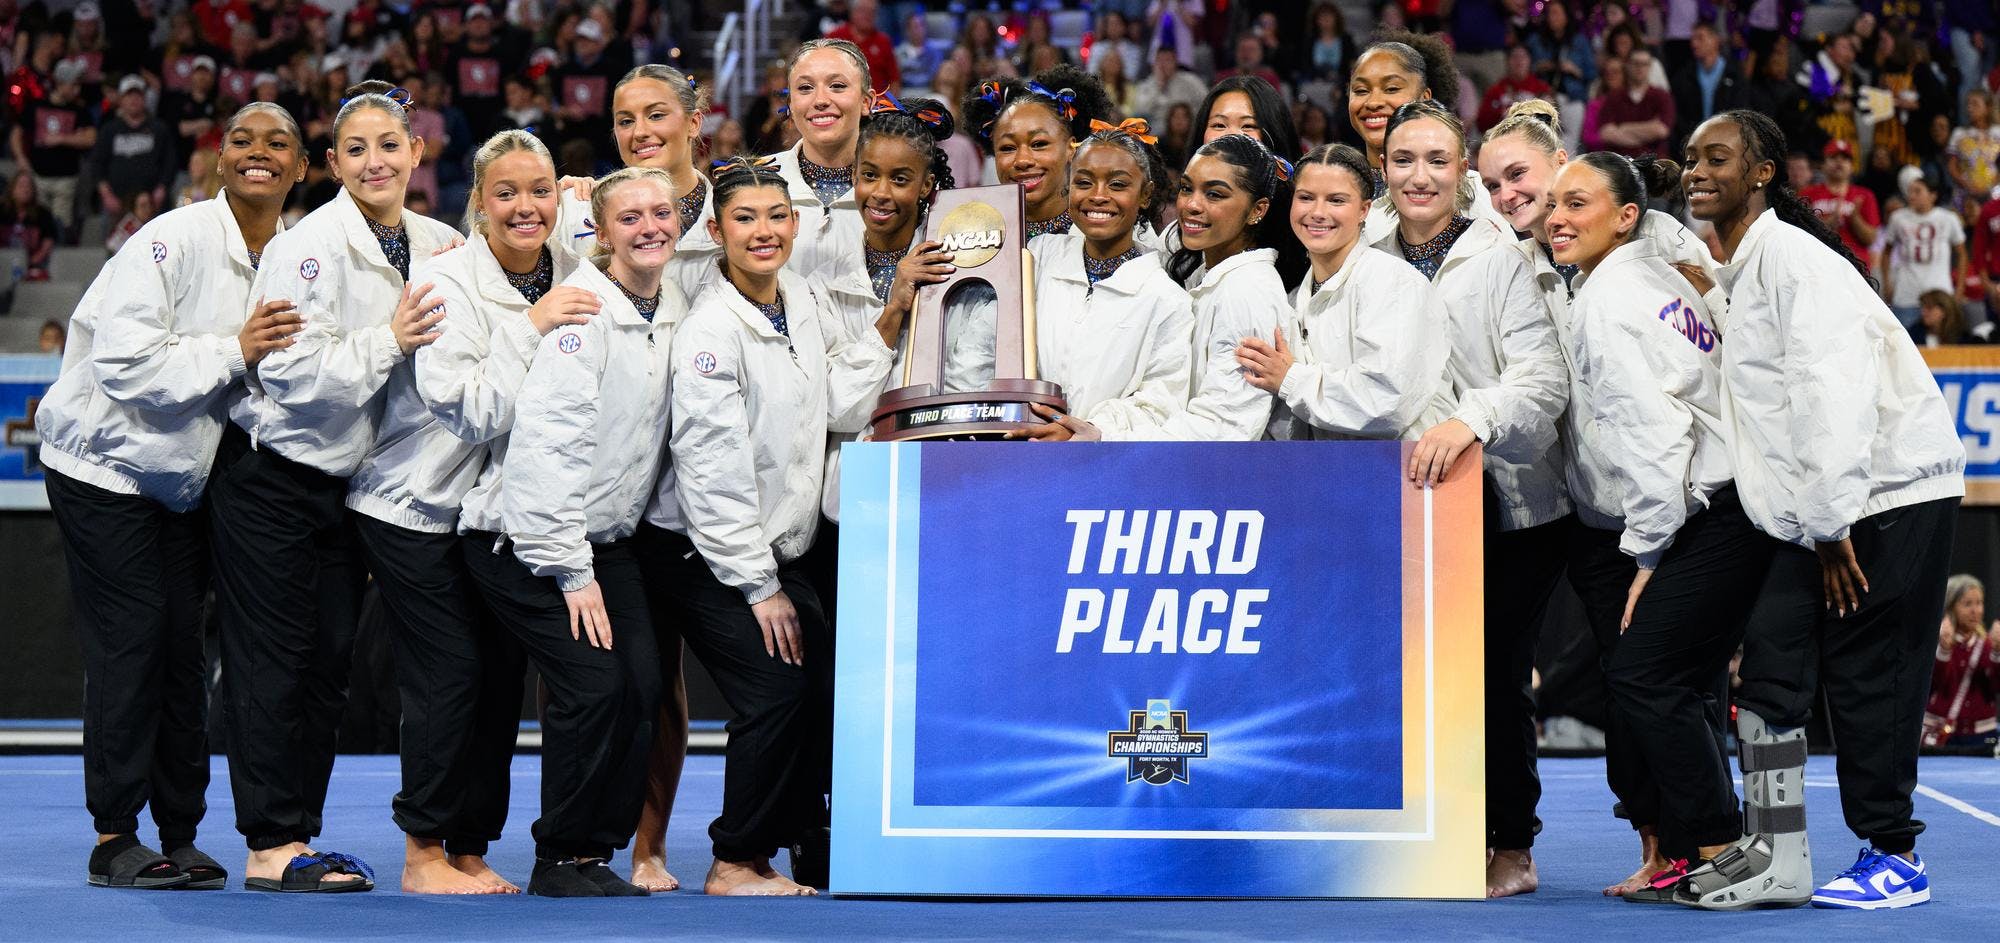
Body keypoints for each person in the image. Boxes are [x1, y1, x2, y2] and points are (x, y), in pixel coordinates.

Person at [1680, 108, 1965, 911]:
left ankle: (1895, 854)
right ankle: (1772, 847)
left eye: (1718, 157)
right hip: (1824, 509)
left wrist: (1833, 524)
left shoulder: (1794, 262)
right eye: (1692, 158)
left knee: (1870, 671)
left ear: (1762, 170)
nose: (1698, 170)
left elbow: (1828, 394)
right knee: (1771, 661)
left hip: (1884, 495)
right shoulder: (1752, 267)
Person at [35, 102, 305, 893]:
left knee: (185, 653)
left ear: (300, 166)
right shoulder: (171, 238)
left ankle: (180, 832)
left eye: (278, 143)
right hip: (101, 466)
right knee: (134, 637)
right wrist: (234, 349)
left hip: (182, 484)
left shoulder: (294, 257)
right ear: (220, 159)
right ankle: (114, 833)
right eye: (244, 140)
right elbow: (123, 363)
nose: (259, 152)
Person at [209, 81, 461, 893]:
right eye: (355, 149)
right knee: (273, 662)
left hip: (348, 489)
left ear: (418, 151)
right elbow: (287, 374)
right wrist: (385, 340)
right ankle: (268, 844)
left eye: (390, 144)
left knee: (325, 665)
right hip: (273, 480)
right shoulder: (304, 247)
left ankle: (296, 837)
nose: (374, 160)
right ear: (331, 163)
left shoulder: (440, 241)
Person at [648, 157, 896, 896]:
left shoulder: (803, 300)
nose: (764, 231)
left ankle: (776, 848)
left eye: (776, 216)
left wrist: (893, 319)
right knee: (774, 686)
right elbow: (712, 476)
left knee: (816, 678)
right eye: (746, 219)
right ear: (717, 232)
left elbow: (838, 408)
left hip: (777, 548)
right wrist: (760, 588)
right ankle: (733, 859)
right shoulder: (709, 332)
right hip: (702, 551)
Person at [347, 129, 585, 896]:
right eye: (506, 193)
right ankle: (422, 851)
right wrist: (535, 324)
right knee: (450, 671)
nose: (525, 206)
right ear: (478, 203)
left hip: (499, 515)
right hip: (413, 506)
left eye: (540, 190)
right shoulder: (444, 281)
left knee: (500, 675)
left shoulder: (576, 270)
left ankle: (471, 844)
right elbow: (476, 409)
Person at [1546, 149, 1769, 905]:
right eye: (1555, 204)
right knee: (1671, 677)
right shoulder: (1660, 271)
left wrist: (1645, 551)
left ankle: (1723, 847)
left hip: (1707, 508)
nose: (1557, 217)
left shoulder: (1607, 302)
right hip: (1734, 495)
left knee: (1644, 674)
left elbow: (1649, 434)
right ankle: (1710, 846)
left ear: (1627, 216)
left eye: (1578, 204)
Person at [458, 165, 680, 898]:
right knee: (592, 683)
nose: (648, 226)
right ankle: (560, 855)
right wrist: (569, 568)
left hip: (601, 537)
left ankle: (593, 850)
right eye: (629, 218)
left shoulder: (670, 308)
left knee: (643, 682)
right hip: (523, 537)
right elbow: (544, 450)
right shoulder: (583, 319)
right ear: (602, 234)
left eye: (660, 212)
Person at [1372, 98, 1571, 899]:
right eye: (1402, 160)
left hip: (1511, 504)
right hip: (1395, 501)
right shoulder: (1361, 248)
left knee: (1492, 673)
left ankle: (1511, 843)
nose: (1419, 175)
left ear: (1463, 172)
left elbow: (1544, 381)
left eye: (1436, 160)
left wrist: (1471, 419)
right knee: (1405, 674)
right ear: (1382, 169)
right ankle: (1422, 833)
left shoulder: (1502, 257)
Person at [1028, 133, 1291, 443]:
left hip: (1222, 479)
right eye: (1186, 188)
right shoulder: (1202, 276)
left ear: (1258, 210)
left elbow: (1226, 426)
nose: (1192, 205)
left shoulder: (1246, 291)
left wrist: (1100, 435)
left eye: (1215, 194)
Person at [1237, 141, 1449, 443]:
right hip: (1333, 473)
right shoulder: (1294, 298)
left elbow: (1386, 402)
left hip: (1407, 477)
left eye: (1336, 200)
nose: (1318, 212)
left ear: (1364, 209)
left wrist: (1290, 379)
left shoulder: (1393, 282)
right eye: (1306, 197)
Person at [1006, 119, 1194, 439]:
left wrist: (1088, 431)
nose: (1098, 196)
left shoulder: (1167, 299)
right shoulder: (1038, 257)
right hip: (1022, 449)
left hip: (1105, 466)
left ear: (1145, 195)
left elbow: (1160, 402)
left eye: (1118, 185)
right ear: (1068, 188)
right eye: (1084, 182)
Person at [1346, 33, 1509, 243]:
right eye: (1360, 90)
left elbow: (1506, 266)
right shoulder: (1339, 187)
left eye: (1392, 88)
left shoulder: (1469, 187)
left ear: (1425, 98)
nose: (1373, 102)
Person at [962, 66, 1118, 240]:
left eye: (1039, 144)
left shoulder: (1111, 229)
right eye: (1008, 148)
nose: (1022, 160)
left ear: (1071, 147)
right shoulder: (972, 237)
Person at [770, 39, 870, 278]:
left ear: (866, 102)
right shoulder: (756, 183)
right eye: (805, 88)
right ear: (791, 104)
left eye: (837, 86)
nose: (821, 100)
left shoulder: (900, 189)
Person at [11, 58, 96, 239]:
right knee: (37, 223)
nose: (77, 90)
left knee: (60, 227)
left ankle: (59, 263)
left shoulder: (79, 110)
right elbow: (16, 133)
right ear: (60, 83)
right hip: (38, 178)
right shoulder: (37, 105)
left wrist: (61, 139)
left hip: (65, 180)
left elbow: (90, 138)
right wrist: (20, 158)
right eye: (73, 85)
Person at [92, 76, 178, 241]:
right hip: (117, 202)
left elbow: (169, 162)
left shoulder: (159, 128)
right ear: (121, 100)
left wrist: (162, 189)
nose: (133, 100)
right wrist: (106, 194)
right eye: (128, 95)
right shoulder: (109, 130)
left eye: (137, 95)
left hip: (152, 202)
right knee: (114, 249)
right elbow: (97, 164)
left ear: (144, 99)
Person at [1883, 169, 1967, 327]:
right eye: (1910, 191)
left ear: (1933, 195)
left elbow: (1962, 254)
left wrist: (1960, 289)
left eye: (1918, 191)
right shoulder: (1897, 218)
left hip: (1940, 294)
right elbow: (1886, 252)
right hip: (1906, 295)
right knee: (1906, 345)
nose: (1912, 195)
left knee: (1942, 347)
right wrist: (1888, 283)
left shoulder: (1948, 218)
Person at [1928, 575, 1999, 748]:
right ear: (1951, 608)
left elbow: (1996, 687)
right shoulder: (1932, 644)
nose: (1976, 611)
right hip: (1942, 735)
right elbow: (1932, 686)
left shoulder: (1988, 645)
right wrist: (1944, 651)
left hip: (1982, 736)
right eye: (1968, 604)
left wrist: (1997, 653)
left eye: (1979, 603)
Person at [1797, 139, 1880, 273]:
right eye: (1833, 157)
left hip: (1856, 268)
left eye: (1845, 158)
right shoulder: (1808, 194)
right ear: (1823, 164)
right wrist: (1828, 222)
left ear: (1852, 166)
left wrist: (1855, 218)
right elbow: (1799, 233)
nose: (1839, 162)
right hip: (1818, 265)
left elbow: (1871, 239)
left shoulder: (1865, 195)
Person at [1947, 90, 2000, 219]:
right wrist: (1966, 185)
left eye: (1975, 104)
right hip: (1965, 193)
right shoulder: (1959, 134)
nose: (1970, 108)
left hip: (1995, 192)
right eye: (1968, 104)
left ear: (1987, 108)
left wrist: (1992, 186)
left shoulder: (1998, 132)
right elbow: (1952, 166)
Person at [827, 0, 899, 93]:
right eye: (863, 11)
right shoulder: (834, 37)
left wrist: (890, 105)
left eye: (872, 12)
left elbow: (894, 80)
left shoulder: (883, 41)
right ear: (852, 12)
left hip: (876, 103)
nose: (868, 16)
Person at [1131, 46, 1207, 129]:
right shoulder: (1146, 85)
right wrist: (1159, 86)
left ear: (1175, 63)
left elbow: (1206, 101)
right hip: (1158, 126)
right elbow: (1141, 111)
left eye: (1167, 60)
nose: (1162, 65)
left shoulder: (1190, 80)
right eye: (1159, 61)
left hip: (1188, 124)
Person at [1910, 289, 1978, 346]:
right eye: (1922, 307)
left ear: (1944, 310)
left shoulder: (1962, 338)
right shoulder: (1913, 334)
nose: (1923, 312)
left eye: (1929, 308)